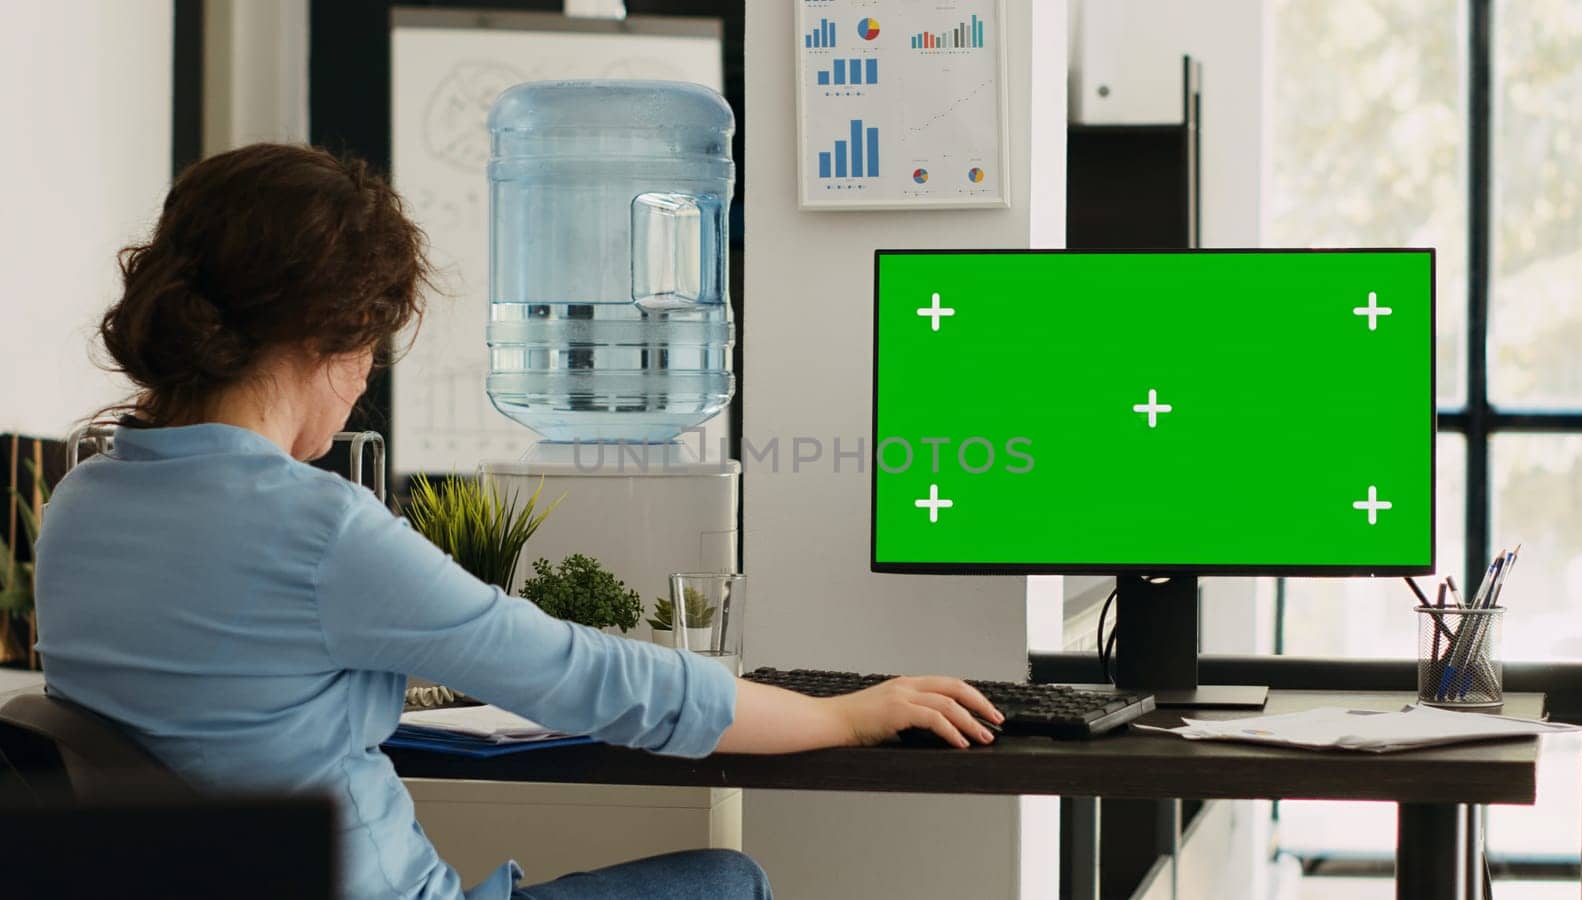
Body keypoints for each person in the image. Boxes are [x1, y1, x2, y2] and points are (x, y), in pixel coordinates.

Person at [32, 143, 1002, 900]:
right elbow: (595, 680)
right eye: (374, 343)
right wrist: (844, 713)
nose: (370, 375)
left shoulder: (80, 505)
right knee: (725, 880)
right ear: (330, 335)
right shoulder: (316, 527)